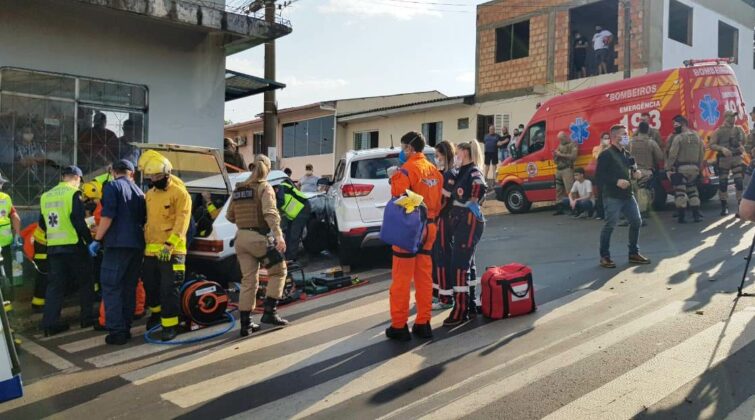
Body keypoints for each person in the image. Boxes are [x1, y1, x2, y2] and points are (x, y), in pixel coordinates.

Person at [385, 131, 442, 341]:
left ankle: (399, 326)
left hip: (410, 228)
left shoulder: (407, 170)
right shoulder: (434, 171)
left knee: (401, 279)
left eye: (403, 148)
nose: (402, 152)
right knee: (424, 278)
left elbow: (398, 197)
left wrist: (393, 178)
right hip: (430, 227)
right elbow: (439, 202)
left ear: (409, 148)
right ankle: (423, 323)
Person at [227, 154, 289, 337]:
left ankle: (245, 325)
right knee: (279, 271)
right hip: (258, 238)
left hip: (241, 239)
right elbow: (270, 213)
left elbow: (230, 216)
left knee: (248, 280)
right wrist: (279, 236)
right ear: (267, 169)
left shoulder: (239, 188)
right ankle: (270, 313)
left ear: (251, 167)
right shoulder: (264, 187)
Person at [87, 160, 146, 345]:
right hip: (136, 245)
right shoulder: (139, 192)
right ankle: (126, 327)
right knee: (129, 287)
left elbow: (108, 215)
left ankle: (116, 332)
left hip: (117, 245)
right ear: (132, 173)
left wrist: (97, 240)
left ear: (113, 172)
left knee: (111, 287)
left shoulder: (112, 186)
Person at [38, 166, 97, 336]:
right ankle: (86, 318)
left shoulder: (46, 196)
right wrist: (91, 241)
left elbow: (42, 223)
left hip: (54, 247)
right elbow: (79, 222)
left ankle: (49, 325)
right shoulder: (73, 194)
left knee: (55, 286)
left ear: (63, 177)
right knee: (86, 281)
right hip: (74, 246)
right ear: (77, 178)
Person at [140, 153, 191, 342]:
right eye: (151, 177)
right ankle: (156, 315)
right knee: (150, 285)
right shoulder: (150, 195)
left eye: (158, 176)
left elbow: (182, 222)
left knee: (169, 289)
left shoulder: (180, 194)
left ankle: (170, 325)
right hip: (151, 251)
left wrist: (170, 245)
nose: (154, 180)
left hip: (173, 251)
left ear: (167, 174)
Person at [443, 140, 486, 326]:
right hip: (462, 223)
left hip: (468, 222)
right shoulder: (461, 171)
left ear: (466, 153)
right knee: (467, 265)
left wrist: (471, 201)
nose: (456, 157)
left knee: (459, 267)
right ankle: (470, 305)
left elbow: (479, 185)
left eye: (458, 153)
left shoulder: (472, 171)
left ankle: (460, 311)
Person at [595, 125, 650, 268]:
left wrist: (636, 174)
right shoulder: (606, 155)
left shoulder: (627, 154)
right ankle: (604, 256)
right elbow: (599, 177)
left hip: (628, 195)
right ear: (614, 137)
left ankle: (633, 253)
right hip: (612, 196)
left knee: (636, 221)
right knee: (610, 225)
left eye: (627, 134)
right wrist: (616, 182)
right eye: (624, 134)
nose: (627, 136)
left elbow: (633, 170)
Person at [666, 115, 705, 223]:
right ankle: (696, 216)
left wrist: (668, 168)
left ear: (682, 124)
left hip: (681, 169)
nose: (675, 127)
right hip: (694, 169)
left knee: (680, 192)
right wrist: (699, 167)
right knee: (693, 191)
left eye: (676, 125)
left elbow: (672, 154)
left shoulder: (679, 138)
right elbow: (702, 152)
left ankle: (681, 217)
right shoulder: (697, 136)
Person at [431, 141, 456, 311]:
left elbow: (444, 201)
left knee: (442, 257)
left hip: (444, 219)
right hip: (442, 218)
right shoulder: (445, 173)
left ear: (445, 155)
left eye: (437, 155)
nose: (436, 158)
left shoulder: (448, 175)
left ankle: (446, 298)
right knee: (438, 256)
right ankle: (438, 293)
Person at [710, 110, 747, 217]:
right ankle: (724, 206)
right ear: (726, 117)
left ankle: (740, 206)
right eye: (731, 117)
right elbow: (712, 144)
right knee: (723, 183)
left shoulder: (739, 129)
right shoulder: (719, 131)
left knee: (739, 182)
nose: (733, 119)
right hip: (724, 160)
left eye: (734, 117)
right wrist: (722, 149)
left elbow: (744, 141)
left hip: (736, 158)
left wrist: (742, 146)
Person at [629, 121, 664, 219]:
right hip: (646, 171)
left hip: (632, 171)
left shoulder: (630, 142)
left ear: (638, 130)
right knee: (643, 191)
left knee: (633, 192)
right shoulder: (651, 142)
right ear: (648, 130)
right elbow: (660, 157)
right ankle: (642, 213)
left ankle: (633, 214)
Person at [272, 175, 310, 262]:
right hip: (294, 214)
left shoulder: (281, 187)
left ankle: (291, 259)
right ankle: (287, 256)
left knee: (294, 235)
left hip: (302, 209)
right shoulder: (277, 189)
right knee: (288, 235)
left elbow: (281, 201)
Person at [0, 173, 22, 300]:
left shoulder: (6, 197)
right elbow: (15, 217)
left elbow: (15, 217)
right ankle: (8, 302)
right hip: (5, 243)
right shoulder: (5, 198)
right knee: (7, 271)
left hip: (5, 242)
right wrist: (17, 234)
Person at [553, 131, 578, 215]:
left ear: (565, 137)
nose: (560, 141)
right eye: (559, 139)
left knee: (570, 189)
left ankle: (574, 208)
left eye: (561, 139)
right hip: (559, 169)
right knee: (558, 190)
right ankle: (559, 208)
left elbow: (573, 157)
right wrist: (555, 155)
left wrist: (561, 155)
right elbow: (556, 160)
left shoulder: (572, 144)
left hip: (567, 169)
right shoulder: (560, 145)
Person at [591, 132, 611, 220]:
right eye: (605, 138)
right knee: (600, 193)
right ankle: (601, 213)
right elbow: (596, 157)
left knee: (610, 193)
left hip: (610, 172)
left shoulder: (612, 148)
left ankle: (611, 213)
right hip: (600, 173)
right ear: (601, 139)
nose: (607, 140)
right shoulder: (596, 148)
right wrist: (602, 147)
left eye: (608, 138)